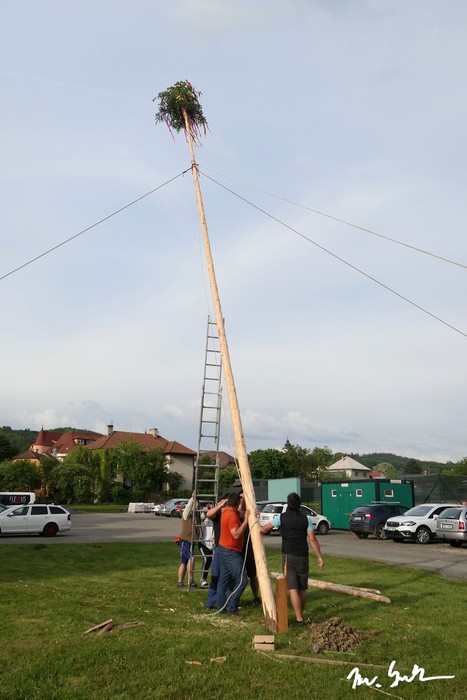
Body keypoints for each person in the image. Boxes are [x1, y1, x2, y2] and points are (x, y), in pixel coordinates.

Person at [260, 492, 324, 626]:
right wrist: (319, 557)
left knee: (293, 587)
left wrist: (257, 523)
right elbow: (312, 539)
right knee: (302, 588)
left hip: (288, 556)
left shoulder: (281, 517)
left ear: (288, 504)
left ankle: (299, 619)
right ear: (299, 504)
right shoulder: (306, 519)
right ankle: (300, 615)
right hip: (303, 556)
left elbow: (265, 529)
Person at [216, 492, 250, 615]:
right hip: (231, 552)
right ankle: (232, 608)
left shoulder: (226, 511)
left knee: (223, 581)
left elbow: (239, 511)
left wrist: (245, 507)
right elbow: (236, 534)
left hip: (223, 549)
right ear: (237, 503)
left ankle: (221, 608)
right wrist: (245, 521)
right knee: (242, 580)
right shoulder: (232, 516)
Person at [204, 494, 229, 609]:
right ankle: (210, 603)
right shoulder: (218, 514)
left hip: (230, 549)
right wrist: (220, 506)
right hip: (219, 548)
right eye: (222, 502)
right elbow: (209, 514)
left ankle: (226, 602)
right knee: (215, 576)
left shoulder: (233, 513)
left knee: (229, 578)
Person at [175, 492, 199, 588]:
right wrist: (192, 499)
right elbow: (188, 507)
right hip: (184, 540)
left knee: (184, 562)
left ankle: (180, 582)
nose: (197, 505)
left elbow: (204, 516)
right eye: (196, 503)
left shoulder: (196, 515)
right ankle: (191, 580)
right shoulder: (186, 515)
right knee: (192, 558)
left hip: (191, 542)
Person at [198, 503, 214, 587]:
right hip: (203, 543)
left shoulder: (216, 518)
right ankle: (203, 579)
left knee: (214, 561)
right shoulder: (205, 518)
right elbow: (203, 516)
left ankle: (215, 580)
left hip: (213, 544)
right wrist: (206, 510)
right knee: (207, 559)